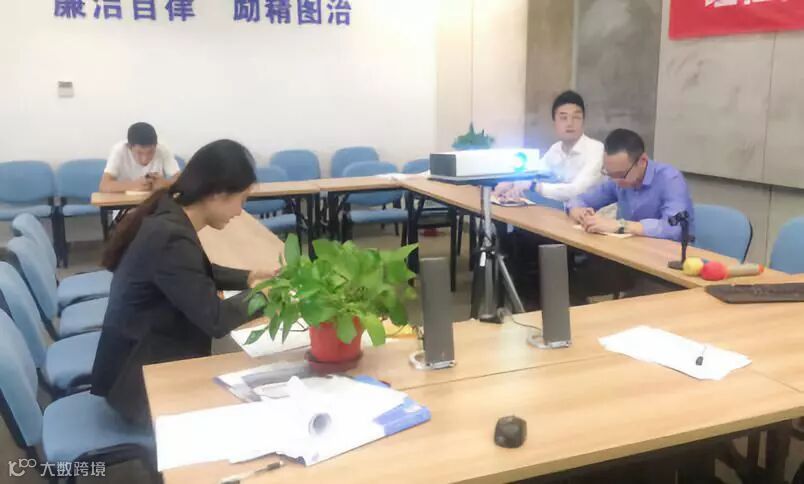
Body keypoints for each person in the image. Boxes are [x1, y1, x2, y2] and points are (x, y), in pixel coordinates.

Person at [91, 139, 274, 423]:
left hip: (142, 356)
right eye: (242, 199)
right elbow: (215, 319)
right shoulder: (170, 237)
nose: (240, 211)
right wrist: (266, 295)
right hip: (139, 383)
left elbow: (191, 272)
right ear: (217, 194)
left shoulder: (169, 211)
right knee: (253, 403)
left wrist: (248, 278)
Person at [567, 128, 695, 241]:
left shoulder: (670, 179)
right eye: (609, 173)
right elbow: (581, 199)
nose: (615, 181)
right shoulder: (617, 178)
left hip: (667, 255)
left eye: (621, 175)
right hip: (627, 250)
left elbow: (675, 228)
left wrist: (621, 225)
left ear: (642, 161)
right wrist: (578, 210)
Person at [494, 90, 604, 203]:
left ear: (583, 121)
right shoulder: (555, 149)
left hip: (588, 211)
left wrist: (534, 186)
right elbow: (534, 172)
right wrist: (511, 182)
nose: (570, 123)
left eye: (576, 117)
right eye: (563, 118)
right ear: (554, 123)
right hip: (557, 209)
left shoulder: (596, 149)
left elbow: (577, 191)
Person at [99, 122, 181, 193]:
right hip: (124, 204)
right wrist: (134, 185)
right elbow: (104, 185)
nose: (145, 159)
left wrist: (166, 183)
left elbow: (180, 180)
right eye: (139, 153)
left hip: (156, 203)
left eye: (150, 152)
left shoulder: (162, 149)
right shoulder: (119, 150)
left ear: (156, 146)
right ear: (129, 147)